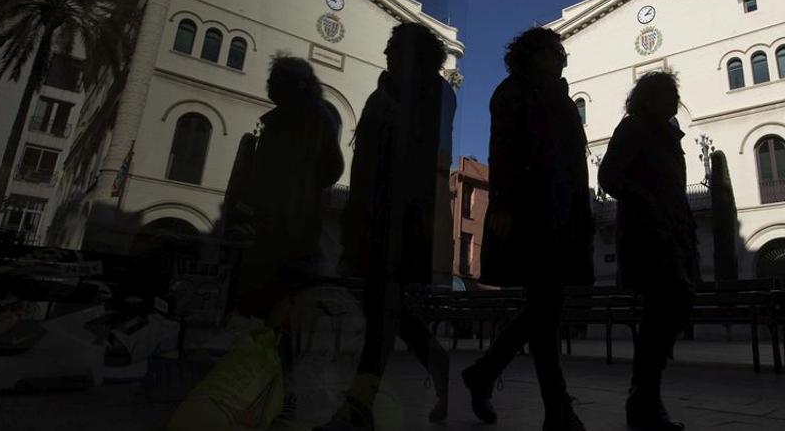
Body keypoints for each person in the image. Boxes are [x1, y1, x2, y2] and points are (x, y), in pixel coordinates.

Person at [319, 22, 452, 430]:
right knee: (385, 308)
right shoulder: (384, 94)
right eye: (390, 48)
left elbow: (425, 160)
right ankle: (439, 364)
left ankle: (358, 407)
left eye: (398, 49)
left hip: (400, 218)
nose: (389, 54)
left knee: (381, 312)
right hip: (372, 215)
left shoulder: (429, 94)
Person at [461, 27, 594, 431]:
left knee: (544, 307)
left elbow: (573, 164)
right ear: (534, 55)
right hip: (533, 209)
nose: (562, 59)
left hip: (560, 212)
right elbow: (502, 150)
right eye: (554, 52)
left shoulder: (560, 98)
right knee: (546, 306)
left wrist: (580, 212)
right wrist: (501, 203)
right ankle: (556, 408)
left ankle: (487, 373)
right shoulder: (513, 92)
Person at [225, 56, 344, 414]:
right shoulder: (311, 118)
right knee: (277, 312)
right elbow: (332, 168)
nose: (269, 86)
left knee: (276, 311)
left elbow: (322, 169)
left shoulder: (292, 121)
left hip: (282, 228)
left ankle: (276, 386)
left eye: (275, 80)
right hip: (286, 226)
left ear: (292, 85)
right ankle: (275, 385)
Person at [598, 71, 698, 431]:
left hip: (670, 233)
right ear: (649, 97)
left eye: (676, 93)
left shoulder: (668, 135)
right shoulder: (634, 128)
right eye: (669, 93)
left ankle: (644, 398)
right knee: (666, 309)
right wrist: (644, 200)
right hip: (647, 235)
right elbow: (608, 176)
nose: (675, 100)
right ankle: (643, 401)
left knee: (670, 311)